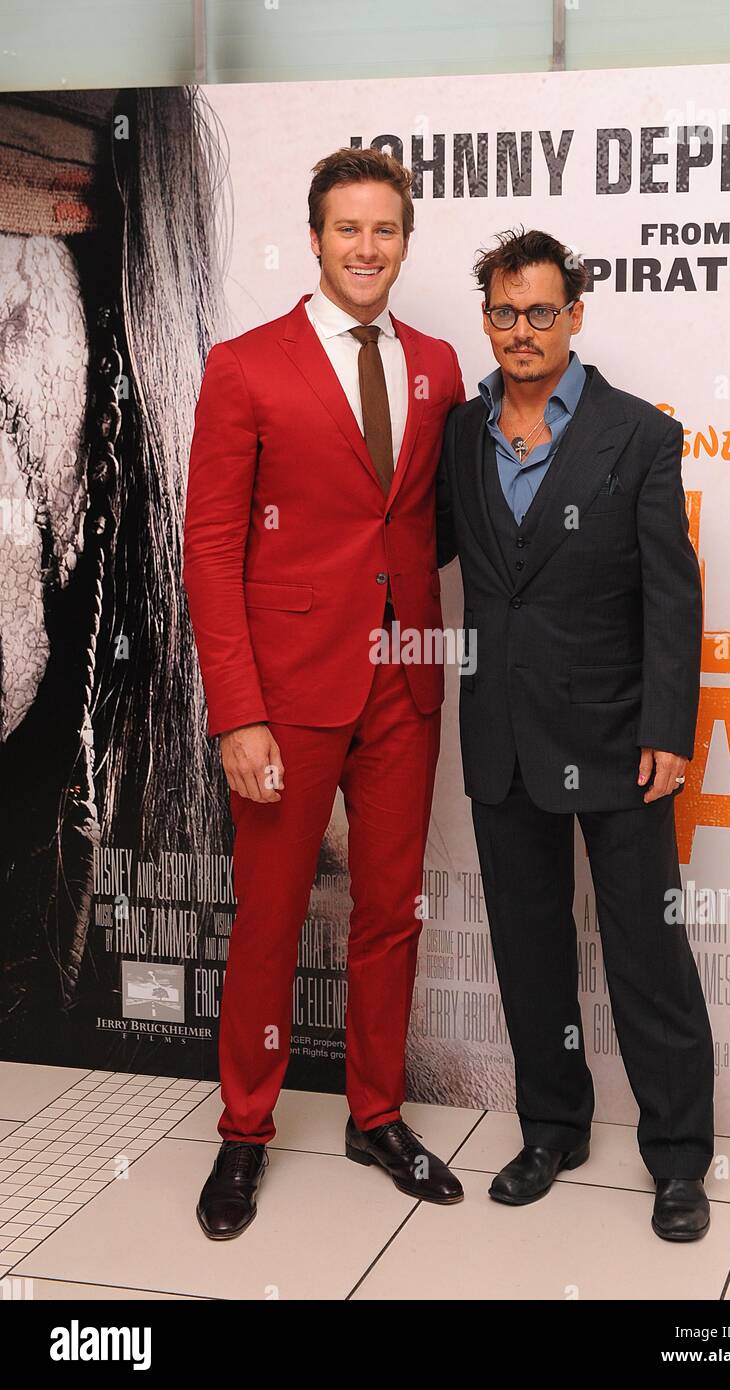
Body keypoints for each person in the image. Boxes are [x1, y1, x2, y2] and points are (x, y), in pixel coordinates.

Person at [183, 148, 466, 1239]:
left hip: (404, 685)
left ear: (405, 239)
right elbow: (211, 550)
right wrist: (237, 710)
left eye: (384, 230)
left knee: (390, 913)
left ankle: (375, 1114)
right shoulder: (247, 365)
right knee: (270, 920)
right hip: (287, 694)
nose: (365, 248)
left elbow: (431, 521)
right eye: (347, 229)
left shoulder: (439, 364)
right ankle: (245, 1132)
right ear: (314, 237)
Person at [436, 227, 714, 1240]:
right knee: (530, 946)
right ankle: (551, 1125)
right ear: (488, 319)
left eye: (541, 311)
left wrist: (669, 728)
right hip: (502, 737)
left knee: (648, 953)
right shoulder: (460, 436)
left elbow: (669, 597)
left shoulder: (638, 435)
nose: (522, 329)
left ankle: (680, 1159)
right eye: (505, 312)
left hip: (618, 739)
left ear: (575, 317)